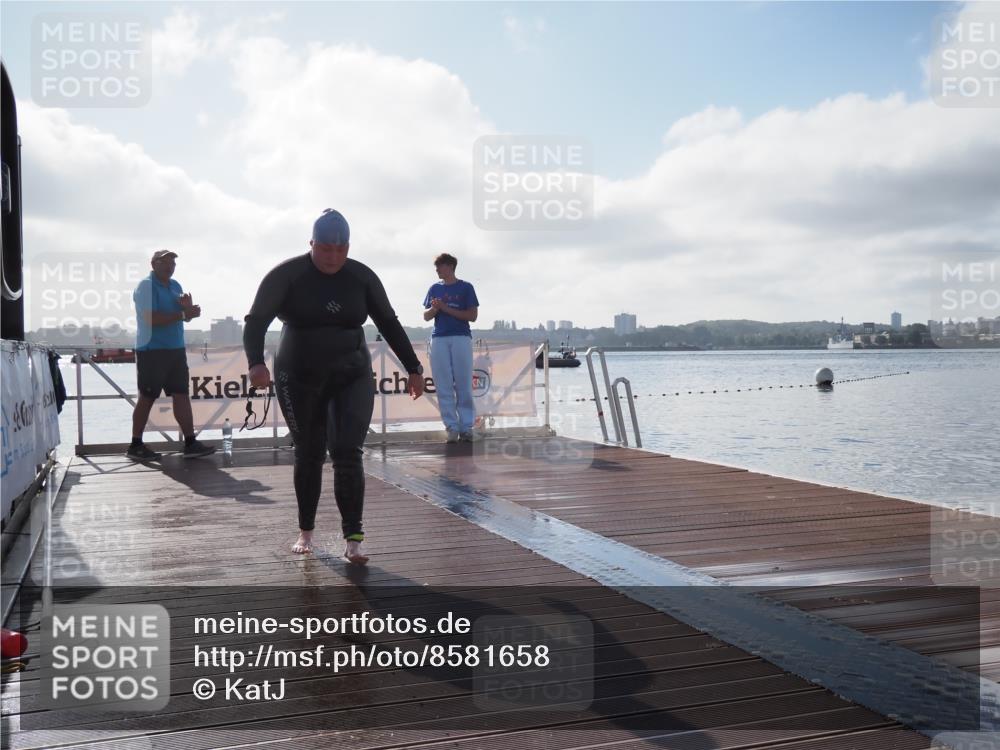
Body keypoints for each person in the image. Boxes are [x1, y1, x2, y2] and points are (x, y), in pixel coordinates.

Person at [243, 209, 425, 561]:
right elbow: (255, 323)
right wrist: (255, 363)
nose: (333, 257)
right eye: (326, 249)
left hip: (351, 373)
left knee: (347, 452)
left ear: (348, 247)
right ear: (312, 244)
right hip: (297, 375)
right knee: (309, 453)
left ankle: (353, 538)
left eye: (340, 250)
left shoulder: (361, 277)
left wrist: (414, 367)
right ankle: (306, 530)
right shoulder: (286, 275)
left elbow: (388, 322)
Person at [127, 250, 216, 461]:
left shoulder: (175, 285)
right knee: (147, 397)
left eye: (173, 263)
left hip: (175, 350)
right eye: (165, 262)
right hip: (152, 351)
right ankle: (135, 444)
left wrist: (189, 312)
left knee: (181, 395)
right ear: (153, 264)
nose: (170, 266)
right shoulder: (145, 287)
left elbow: (180, 318)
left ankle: (190, 442)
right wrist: (183, 314)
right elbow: (150, 318)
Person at [423, 253, 479, 443]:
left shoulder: (466, 287)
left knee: (463, 383)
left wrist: (446, 308)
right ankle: (451, 426)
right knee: (443, 383)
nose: (437, 270)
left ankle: (466, 426)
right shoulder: (434, 288)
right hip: (439, 338)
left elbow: (472, 315)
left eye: (439, 266)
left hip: (461, 337)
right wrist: (435, 309)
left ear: (449, 267)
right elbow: (426, 316)